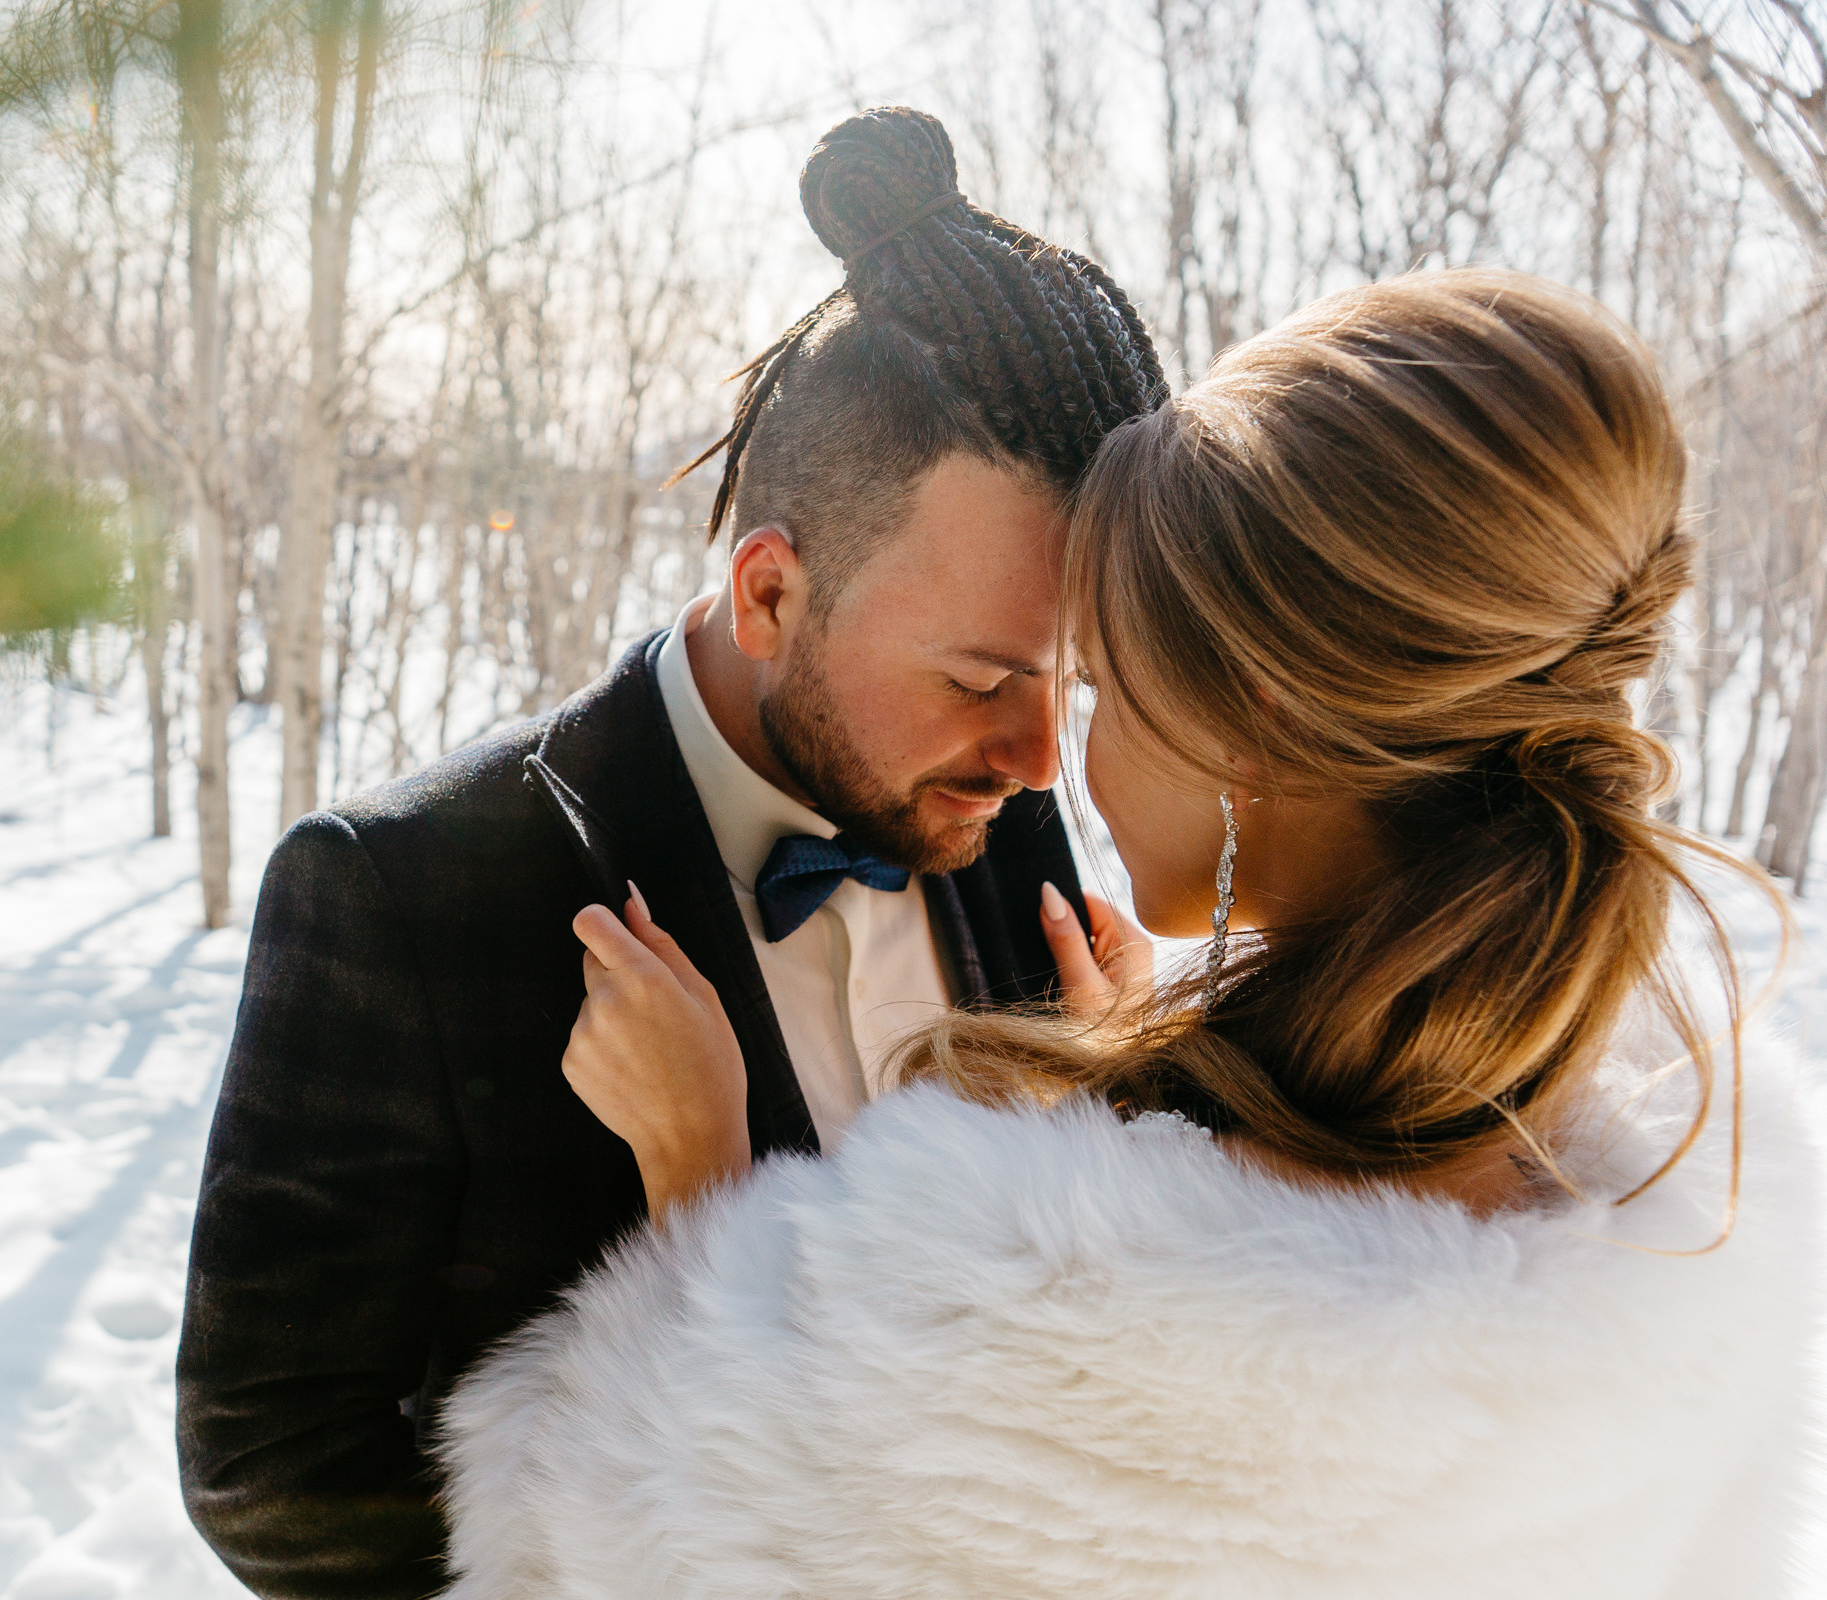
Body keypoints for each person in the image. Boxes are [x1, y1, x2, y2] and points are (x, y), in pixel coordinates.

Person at [435, 270, 1825, 1598]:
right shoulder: (1696, 1190)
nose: (1052, 756)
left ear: (1252, 723)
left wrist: (703, 1187)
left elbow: (640, 1545)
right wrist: (1151, 1108)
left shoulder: (1030, 1333)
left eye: (1096, 681)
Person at [174, 107, 1170, 1598]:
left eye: (1070, 680)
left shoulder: (1003, 819)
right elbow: (271, 1471)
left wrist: (1114, 1123)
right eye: (983, 680)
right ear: (769, 591)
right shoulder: (401, 893)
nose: (1041, 760)